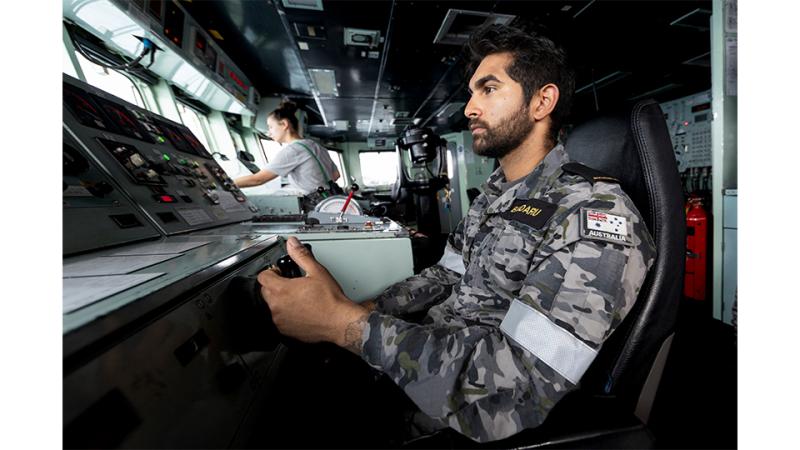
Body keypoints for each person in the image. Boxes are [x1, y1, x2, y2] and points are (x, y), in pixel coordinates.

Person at [257, 24, 657, 443]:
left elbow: (517, 386)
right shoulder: (497, 194)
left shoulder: (593, 215)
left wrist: (345, 325)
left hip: (460, 413)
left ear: (542, 101)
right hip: (424, 358)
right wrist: (362, 308)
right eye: (471, 93)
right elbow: (446, 274)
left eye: (488, 89)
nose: (469, 108)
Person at [234, 100, 340, 196]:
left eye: (270, 127)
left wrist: (227, 183)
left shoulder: (292, 151)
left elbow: (258, 180)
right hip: (329, 199)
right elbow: (335, 175)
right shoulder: (316, 145)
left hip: (314, 205)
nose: (269, 133)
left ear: (284, 124)